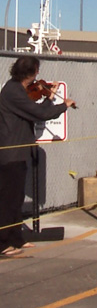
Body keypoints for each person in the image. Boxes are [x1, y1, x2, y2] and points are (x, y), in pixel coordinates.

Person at [0, 57, 74, 256]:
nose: (38, 76)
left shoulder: (18, 90)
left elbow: (35, 109)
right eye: (36, 71)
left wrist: (49, 97)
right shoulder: (13, 91)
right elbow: (39, 113)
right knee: (8, 201)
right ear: (30, 72)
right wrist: (62, 105)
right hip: (11, 153)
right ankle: (2, 243)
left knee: (15, 200)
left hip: (19, 152)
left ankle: (16, 238)